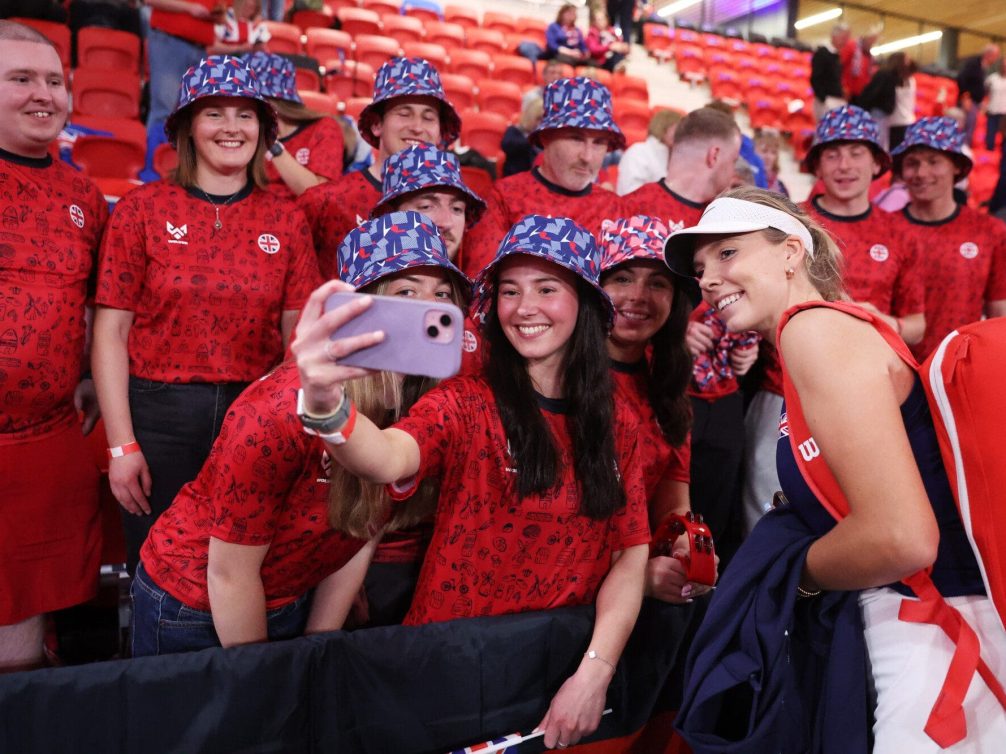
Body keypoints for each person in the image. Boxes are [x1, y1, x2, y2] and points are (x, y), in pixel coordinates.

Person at [668, 186, 1006, 753]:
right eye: (701, 268)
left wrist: (787, 580)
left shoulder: (813, 330)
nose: (708, 279)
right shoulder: (827, 330)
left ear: (790, 251)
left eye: (728, 254)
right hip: (939, 625)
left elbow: (901, 539)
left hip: (937, 632)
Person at [293, 215, 650, 750]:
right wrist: (323, 406)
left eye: (546, 289)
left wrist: (595, 672)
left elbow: (630, 552)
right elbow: (387, 458)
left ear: (585, 303)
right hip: (449, 670)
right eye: (509, 291)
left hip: (557, 668)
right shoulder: (465, 402)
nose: (525, 307)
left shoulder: (619, 422)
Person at [131, 211, 469, 654]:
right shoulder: (278, 410)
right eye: (406, 292)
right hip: (192, 607)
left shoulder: (427, 405)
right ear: (360, 311)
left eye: (442, 293)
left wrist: (318, 644)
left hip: (292, 595)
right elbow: (229, 575)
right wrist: (265, 677)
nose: (429, 307)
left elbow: (363, 524)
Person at [92, 55, 321, 573]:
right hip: (158, 414)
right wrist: (120, 444)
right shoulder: (141, 209)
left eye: (245, 115)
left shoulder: (286, 220)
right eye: (214, 113)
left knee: (242, 569)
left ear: (263, 130)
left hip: (254, 410)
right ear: (188, 128)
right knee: (157, 565)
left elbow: (296, 338)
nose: (231, 127)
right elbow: (111, 331)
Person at [739, 105, 924, 534]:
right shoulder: (784, 222)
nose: (844, 165)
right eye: (833, 153)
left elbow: (917, 324)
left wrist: (883, 322)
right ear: (816, 162)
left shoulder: (898, 232)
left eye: (856, 152)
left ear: (877, 161)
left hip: (871, 399)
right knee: (768, 512)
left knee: (859, 513)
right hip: (782, 389)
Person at [0, 20, 109, 672]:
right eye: (20, 79)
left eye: (54, 81)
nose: (43, 95)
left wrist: (93, 373)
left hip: (42, 443)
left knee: (20, 628)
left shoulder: (84, 197)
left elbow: (99, 302)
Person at [599, 216, 710, 604]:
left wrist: (683, 552)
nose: (639, 296)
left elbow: (673, 506)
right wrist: (637, 578)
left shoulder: (668, 387)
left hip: (628, 597)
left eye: (657, 283)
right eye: (623, 278)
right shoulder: (555, 375)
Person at [296, 56, 461, 280]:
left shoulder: (453, 210)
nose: (417, 127)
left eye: (429, 118)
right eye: (404, 113)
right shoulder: (326, 201)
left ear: (440, 131)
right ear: (376, 124)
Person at [461, 77, 626, 277]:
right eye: (575, 139)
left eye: (599, 142)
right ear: (545, 137)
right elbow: (481, 286)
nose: (587, 157)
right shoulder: (503, 198)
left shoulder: (616, 210)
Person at [890, 116, 1006, 359]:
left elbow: (999, 315)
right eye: (912, 163)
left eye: (934, 162)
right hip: (892, 371)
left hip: (958, 373)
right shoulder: (884, 229)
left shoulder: (989, 232)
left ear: (956, 166)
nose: (922, 173)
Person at [243, 52, 344, 200]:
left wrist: (273, 147)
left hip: (303, 219)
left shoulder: (323, 128)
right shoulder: (243, 132)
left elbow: (320, 196)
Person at [855, 52, 915, 151]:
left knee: (883, 144)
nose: (909, 62)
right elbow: (873, 94)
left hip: (888, 116)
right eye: (906, 60)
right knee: (882, 144)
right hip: (884, 114)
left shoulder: (900, 78)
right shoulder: (888, 76)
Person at [615, 109, 681, 196]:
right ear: (663, 127)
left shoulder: (676, 157)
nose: (681, 133)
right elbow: (630, 193)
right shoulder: (638, 152)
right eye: (677, 128)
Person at [957, 44, 1001, 147]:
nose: (995, 59)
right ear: (989, 54)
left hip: (975, 101)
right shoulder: (973, 64)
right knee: (967, 125)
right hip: (969, 101)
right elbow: (962, 79)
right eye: (995, 56)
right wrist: (965, 97)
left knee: (971, 126)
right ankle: (962, 149)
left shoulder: (984, 67)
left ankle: (965, 148)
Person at [810, 23, 850, 121]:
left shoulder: (837, 55)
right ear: (834, 36)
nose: (845, 41)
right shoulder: (822, 53)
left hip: (836, 100)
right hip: (827, 100)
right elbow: (815, 78)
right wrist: (824, 99)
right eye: (843, 37)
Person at [502, 95, 544, 178]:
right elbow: (507, 146)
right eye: (538, 119)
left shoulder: (544, 137)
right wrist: (532, 140)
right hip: (515, 177)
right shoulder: (514, 131)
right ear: (530, 117)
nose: (540, 123)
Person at [586, 7, 629, 73]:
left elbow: (619, 43)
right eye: (598, 20)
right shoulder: (592, 33)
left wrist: (622, 47)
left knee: (618, 54)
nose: (600, 22)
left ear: (607, 19)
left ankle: (619, 66)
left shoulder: (612, 31)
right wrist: (609, 47)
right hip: (601, 60)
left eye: (602, 19)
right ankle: (617, 67)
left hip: (615, 56)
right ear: (594, 22)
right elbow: (593, 49)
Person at [753, 128, 788, 196]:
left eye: (774, 152)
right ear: (753, 151)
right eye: (764, 151)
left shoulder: (781, 187)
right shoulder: (744, 181)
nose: (769, 157)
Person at [984, 56, 1006, 151]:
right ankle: (989, 154)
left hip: (1005, 113)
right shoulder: (992, 78)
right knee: (990, 135)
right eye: (1003, 65)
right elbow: (985, 92)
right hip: (992, 111)